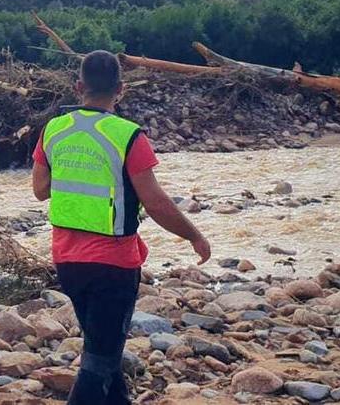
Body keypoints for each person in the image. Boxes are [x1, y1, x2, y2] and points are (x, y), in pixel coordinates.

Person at [31, 50, 211, 405]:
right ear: (121, 89)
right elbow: (156, 203)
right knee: (99, 361)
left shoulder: (53, 129)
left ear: (78, 86)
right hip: (113, 265)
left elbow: (40, 190)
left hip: (67, 261)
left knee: (105, 354)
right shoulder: (128, 136)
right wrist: (194, 235)